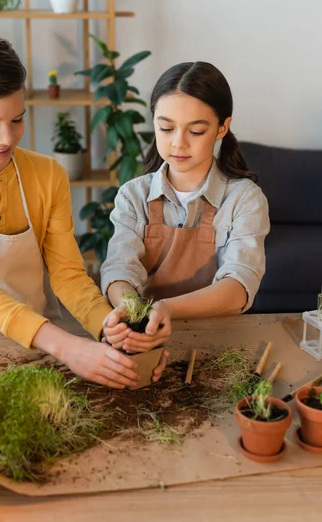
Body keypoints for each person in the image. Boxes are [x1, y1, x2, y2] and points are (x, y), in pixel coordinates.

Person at [0, 33, 169, 388]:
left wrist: (111, 329)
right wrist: (69, 348)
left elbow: (67, 274)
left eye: (17, 119)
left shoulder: (47, 175)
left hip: (42, 348)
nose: (7, 138)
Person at [101, 61, 270, 352]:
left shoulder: (245, 199)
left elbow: (239, 287)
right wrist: (132, 313)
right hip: (144, 340)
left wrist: (166, 308)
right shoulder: (133, 195)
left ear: (221, 128)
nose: (178, 143)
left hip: (219, 343)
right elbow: (119, 269)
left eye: (196, 131)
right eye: (166, 128)